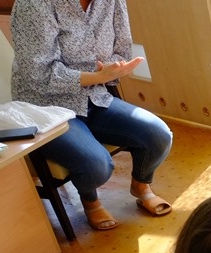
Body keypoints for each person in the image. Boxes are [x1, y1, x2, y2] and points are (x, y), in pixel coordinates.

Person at [10, 0, 173, 232]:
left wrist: (111, 70)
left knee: (158, 135)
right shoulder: (34, 4)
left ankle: (141, 186)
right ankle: (91, 202)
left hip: (95, 96)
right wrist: (97, 77)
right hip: (47, 108)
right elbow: (38, 74)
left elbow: (122, 49)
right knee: (96, 164)